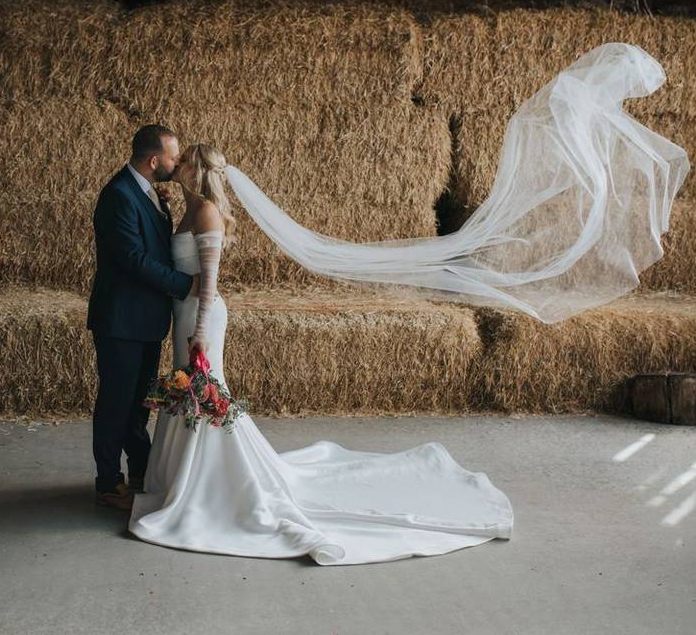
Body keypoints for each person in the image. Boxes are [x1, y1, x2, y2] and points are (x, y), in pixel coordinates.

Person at [128, 144, 514, 565]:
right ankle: (184, 478)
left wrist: (200, 331)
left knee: (205, 391)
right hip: (183, 313)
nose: (175, 165)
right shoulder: (185, 208)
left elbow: (211, 281)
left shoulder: (206, 214)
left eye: (182, 162)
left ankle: (210, 484)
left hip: (202, 316)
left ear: (196, 172)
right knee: (189, 390)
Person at [86, 124, 199, 511]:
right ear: (154, 160)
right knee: (117, 402)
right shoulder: (118, 195)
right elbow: (133, 260)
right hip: (121, 321)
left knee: (139, 403)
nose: (176, 161)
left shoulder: (148, 192)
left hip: (146, 320)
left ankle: (139, 471)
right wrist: (188, 285)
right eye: (172, 156)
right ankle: (107, 482)